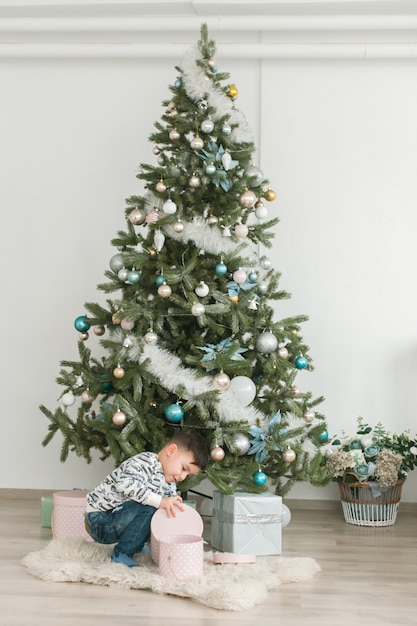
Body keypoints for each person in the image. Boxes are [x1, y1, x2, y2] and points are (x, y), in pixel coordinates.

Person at [84, 430, 208, 567]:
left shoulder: (169, 482)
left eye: (188, 475)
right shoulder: (145, 462)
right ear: (171, 451)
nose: (182, 477)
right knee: (151, 506)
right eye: (184, 468)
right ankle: (122, 553)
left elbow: (165, 511)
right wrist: (160, 501)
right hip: (100, 520)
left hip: (119, 518)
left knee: (160, 510)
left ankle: (134, 543)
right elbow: (126, 485)